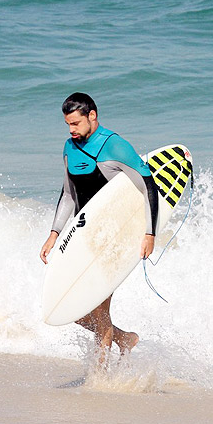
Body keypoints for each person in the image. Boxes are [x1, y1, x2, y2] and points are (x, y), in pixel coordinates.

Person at [39, 92, 159, 357]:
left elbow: (147, 184)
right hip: (84, 238)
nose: (71, 130)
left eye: (75, 124)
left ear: (92, 116)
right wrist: (54, 234)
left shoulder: (114, 145)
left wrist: (150, 233)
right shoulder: (69, 147)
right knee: (71, 309)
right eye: (67, 124)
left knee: (99, 308)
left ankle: (100, 375)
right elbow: (69, 194)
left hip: (111, 237)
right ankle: (124, 338)